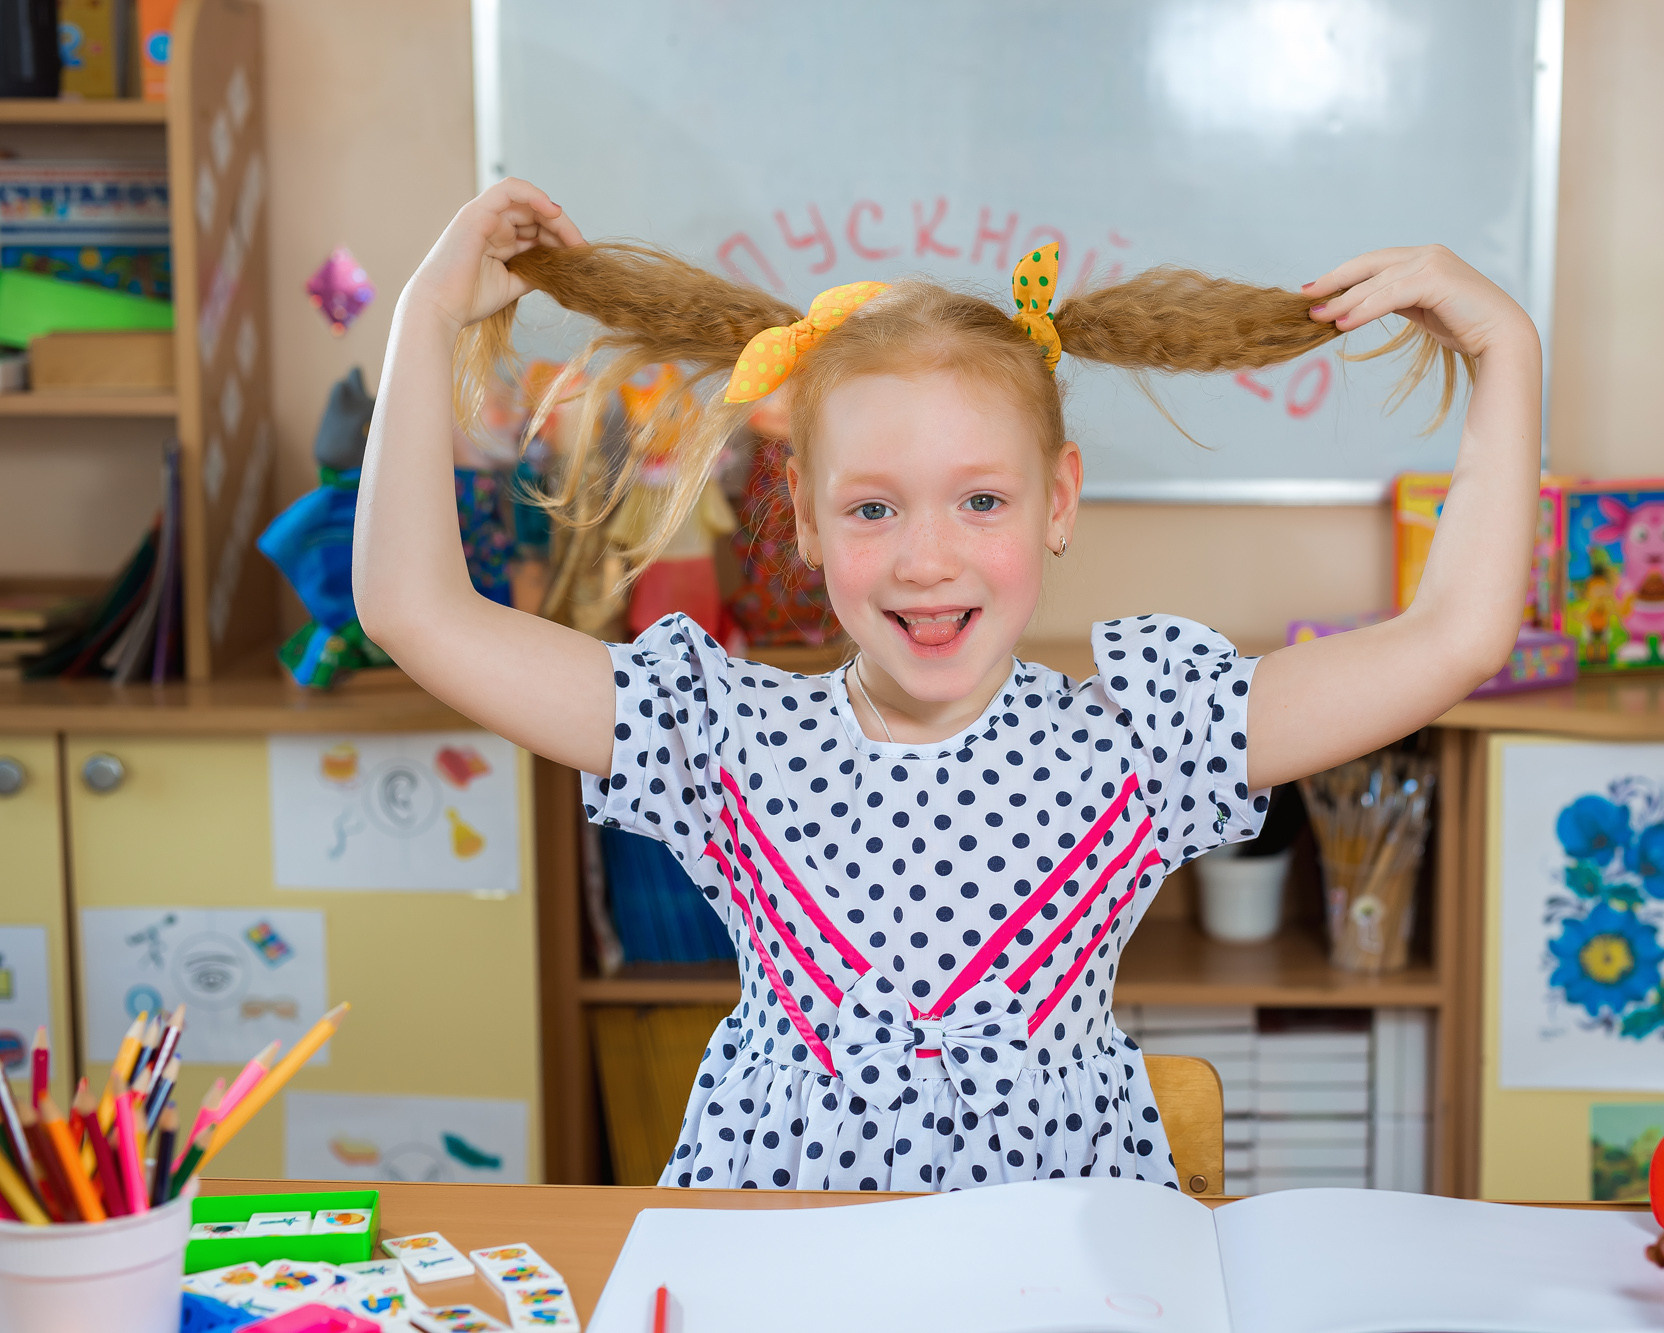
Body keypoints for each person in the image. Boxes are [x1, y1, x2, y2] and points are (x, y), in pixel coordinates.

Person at [354, 179, 1542, 1191]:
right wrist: (424, 318)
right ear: (805, 523)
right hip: (778, 1277)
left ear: (1059, 500)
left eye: (981, 500)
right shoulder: (719, 736)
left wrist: (1505, 351)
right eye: (872, 508)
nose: (926, 558)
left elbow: (1452, 638)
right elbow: (414, 608)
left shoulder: (1142, 741)